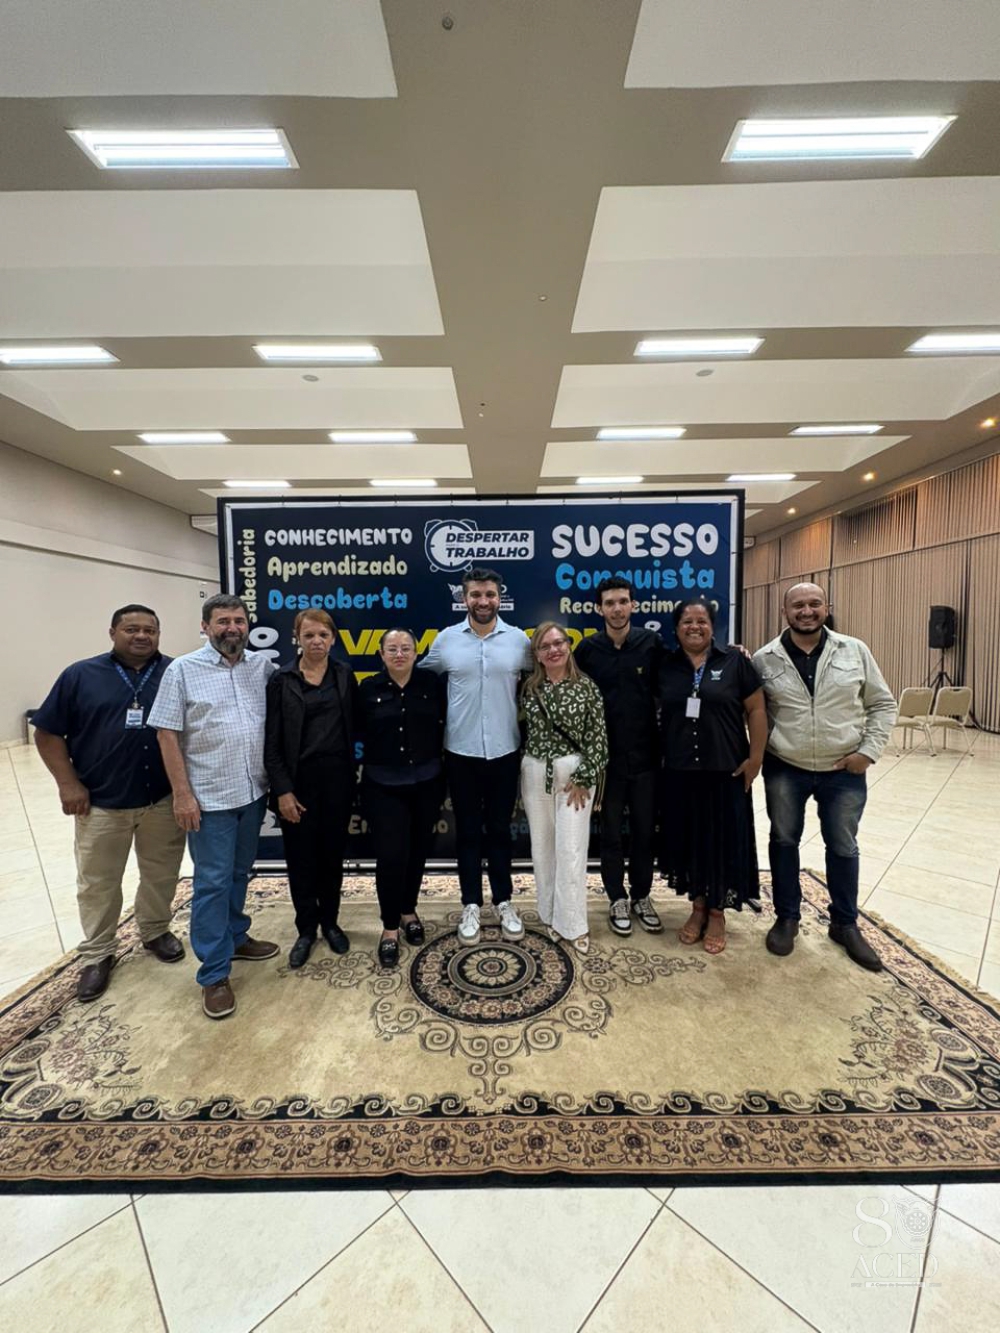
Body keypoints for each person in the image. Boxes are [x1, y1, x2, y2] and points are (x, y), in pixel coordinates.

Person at [33, 605, 186, 1001]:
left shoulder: (176, 672)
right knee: (98, 882)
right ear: (113, 632)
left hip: (161, 799)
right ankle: (98, 953)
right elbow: (47, 733)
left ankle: (155, 930)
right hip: (101, 800)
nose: (142, 636)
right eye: (132, 629)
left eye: (150, 630)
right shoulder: (80, 675)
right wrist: (68, 784)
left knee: (161, 873)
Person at [753, 583, 897, 971]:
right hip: (786, 765)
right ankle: (787, 918)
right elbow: (753, 711)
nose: (806, 611)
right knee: (784, 840)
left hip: (842, 768)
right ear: (785, 612)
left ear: (827, 607)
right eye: (798, 605)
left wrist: (868, 752)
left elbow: (882, 704)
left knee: (843, 845)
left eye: (814, 603)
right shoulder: (765, 659)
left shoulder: (854, 650)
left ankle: (844, 924)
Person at [149, 594, 279, 1019]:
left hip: (252, 792)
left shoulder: (261, 667)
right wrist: (182, 795)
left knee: (240, 873)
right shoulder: (182, 670)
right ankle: (214, 973)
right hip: (209, 798)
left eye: (239, 621)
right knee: (211, 883)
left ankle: (236, 937)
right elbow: (166, 734)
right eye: (223, 621)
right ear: (205, 627)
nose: (232, 628)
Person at [421, 567, 533, 947]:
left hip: (505, 751)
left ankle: (504, 902)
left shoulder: (518, 640)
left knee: (499, 831)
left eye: (489, 594)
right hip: (461, 753)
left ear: (500, 597)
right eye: (475, 595)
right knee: (467, 832)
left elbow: (541, 680)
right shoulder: (446, 640)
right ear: (463, 598)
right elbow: (419, 679)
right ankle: (470, 903)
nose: (483, 601)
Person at [657, 598, 767, 955]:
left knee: (722, 842)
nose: (694, 627)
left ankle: (718, 913)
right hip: (680, 772)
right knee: (691, 841)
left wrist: (755, 759)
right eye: (686, 621)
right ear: (676, 629)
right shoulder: (666, 665)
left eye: (701, 621)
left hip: (725, 770)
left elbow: (757, 709)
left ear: (712, 626)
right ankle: (698, 906)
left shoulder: (735, 662)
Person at [264, 610, 359, 969]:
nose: (316, 641)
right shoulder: (281, 680)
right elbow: (272, 743)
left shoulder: (344, 675)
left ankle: (331, 923)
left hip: (337, 780)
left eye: (323, 635)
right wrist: (283, 791)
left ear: (333, 639)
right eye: (309, 635)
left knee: (332, 857)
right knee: (301, 859)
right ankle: (306, 929)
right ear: (297, 639)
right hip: (297, 783)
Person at [574, 577, 663, 938]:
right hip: (605, 762)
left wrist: (733, 653)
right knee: (610, 834)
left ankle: (641, 895)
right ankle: (616, 898)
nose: (617, 608)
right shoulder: (587, 650)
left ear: (633, 605)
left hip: (646, 758)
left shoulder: (651, 643)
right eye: (609, 603)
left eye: (623, 601)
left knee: (644, 832)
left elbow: (681, 676)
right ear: (599, 609)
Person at [358, 628, 447, 967]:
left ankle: (409, 911)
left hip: (427, 782)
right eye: (392, 649)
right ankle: (390, 927)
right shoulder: (368, 689)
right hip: (383, 785)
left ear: (416, 652)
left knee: (417, 852)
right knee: (391, 856)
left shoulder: (431, 684)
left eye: (406, 648)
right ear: (381, 654)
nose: (399, 654)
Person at [520, 622, 608, 954]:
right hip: (535, 773)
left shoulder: (586, 687)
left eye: (558, 643)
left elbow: (599, 740)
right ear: (537, 655)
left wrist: (584, 777)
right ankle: (549, 915)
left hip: (574, 777)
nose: (553, 650)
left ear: (568, 646)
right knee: (543, 848)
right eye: (545, 646)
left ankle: (573, 924)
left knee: (571, 850)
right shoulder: (529, 689)